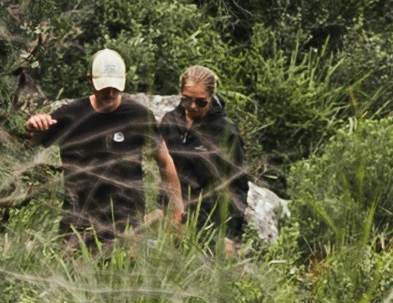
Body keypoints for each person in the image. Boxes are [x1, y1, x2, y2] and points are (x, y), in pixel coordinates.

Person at [13, 46, 167, 241]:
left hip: (127, 225)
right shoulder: (70, 115)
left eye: (115, 87)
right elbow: (24, 144)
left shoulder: (139, 115)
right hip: (78, 225)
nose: (110, 92)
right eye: (104, 87)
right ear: (90, 80)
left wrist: (169, 208)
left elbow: (165, 162)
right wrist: (30, 126)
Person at [161, 64, 244, 234]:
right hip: (170, 215)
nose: (193, 106)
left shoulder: (225, 131)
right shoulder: (169, 122)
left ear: (211, 97)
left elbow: (237, 185)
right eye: (187, 99)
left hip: (206, 221)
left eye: (201, 102)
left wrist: (232, 235)